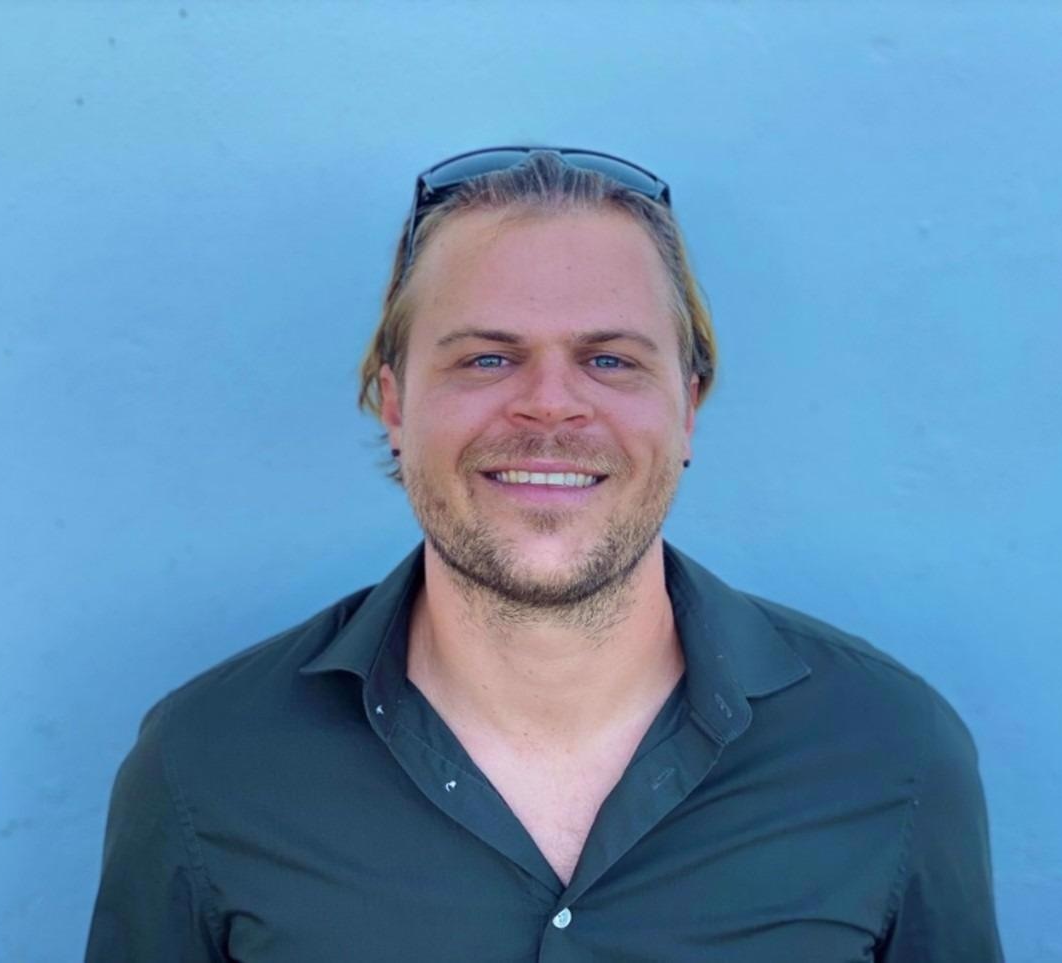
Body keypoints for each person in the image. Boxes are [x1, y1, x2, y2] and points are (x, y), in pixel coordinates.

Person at [86, 147, 1003, 961]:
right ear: (395, 405)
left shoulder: (888, 749)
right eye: (487, 359)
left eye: (609, 360)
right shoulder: (207, 763)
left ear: (687, 407)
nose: (551, 406)